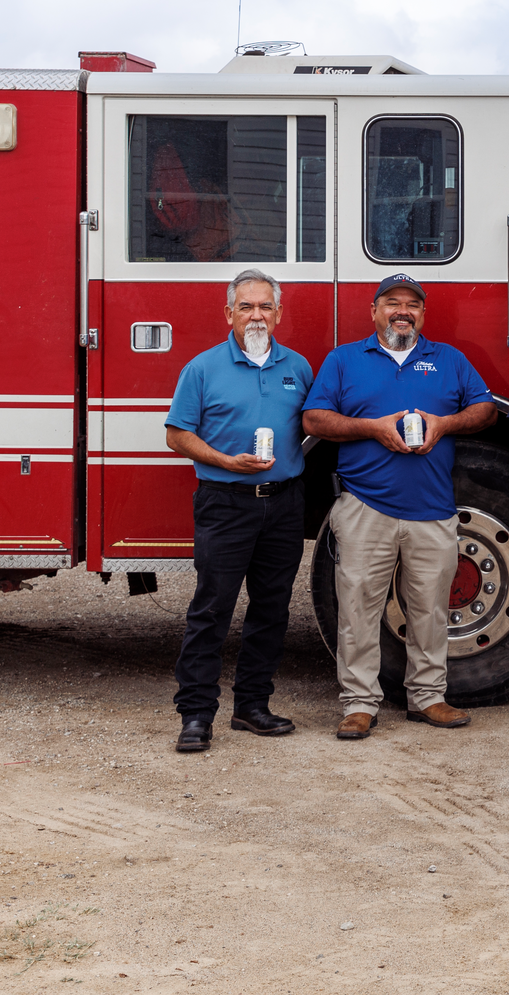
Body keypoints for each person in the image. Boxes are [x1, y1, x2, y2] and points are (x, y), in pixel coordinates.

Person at [303, 274, 497, 740]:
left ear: (423, 314)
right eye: (392, 303)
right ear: (374, 312)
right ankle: (359, 704)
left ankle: (428, 697)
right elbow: (314, 418)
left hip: (432, 509)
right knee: (358, 610)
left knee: (430, 610)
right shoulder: (345, 359)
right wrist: (373, 428)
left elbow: (486, 409)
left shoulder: (448, 360)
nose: (402, 311)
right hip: (365, 507)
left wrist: (444, 422)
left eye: (412, 304)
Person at [164, 269, 316, 753]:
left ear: (279, 314)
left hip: (285, 503)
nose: (256, 315)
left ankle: (252, 706)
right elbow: (176, 435)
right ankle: (195, 714)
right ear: (228, 314)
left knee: (271, 610)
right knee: (212, 609)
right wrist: (226, 460)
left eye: (265, 307)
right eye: (246, 307)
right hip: (225, 503)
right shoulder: (202, 369)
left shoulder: (299, 367)